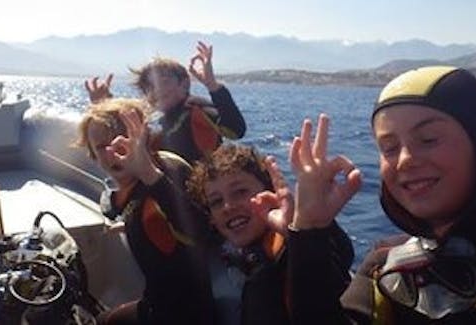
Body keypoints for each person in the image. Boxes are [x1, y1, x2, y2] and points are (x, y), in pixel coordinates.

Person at [287, 66, 476, 324]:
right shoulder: (384, 266)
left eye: (428, 139)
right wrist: (309, 227)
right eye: (389, 148)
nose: (405, 160)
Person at [75, 98, 214, 325]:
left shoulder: (166, 173)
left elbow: (203, 232)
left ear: (143, 138)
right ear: (92, 154)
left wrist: (148, 173)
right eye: (101, 147)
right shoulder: (134, 188)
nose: (113, 152)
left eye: (122, 140)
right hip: (155, 306)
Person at [187, 144, 353, 325]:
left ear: (270, 192)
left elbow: (335, 262)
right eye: (216, 201)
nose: (228, 206)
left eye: (240, 192)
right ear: (210, 217)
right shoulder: (209, 254)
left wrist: (303, 230)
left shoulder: (290, 250)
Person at [85, 41, 246, 163]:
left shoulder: (195, 109)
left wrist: (212, 85)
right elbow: (125, 138)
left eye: (164, 82)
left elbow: (235, 130)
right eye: (149, 87)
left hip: (199, 197)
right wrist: (104, 105)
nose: (157, 91)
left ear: (184, 84)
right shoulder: (157, 122)